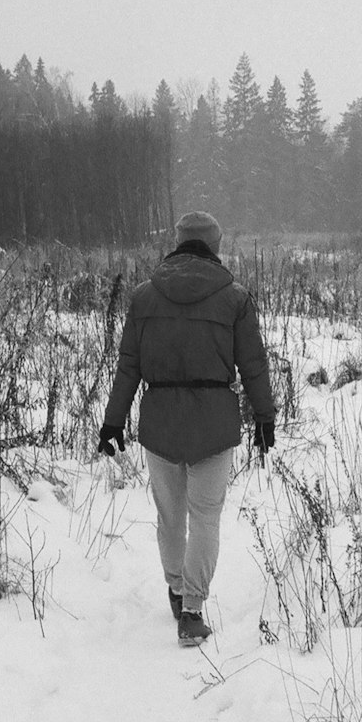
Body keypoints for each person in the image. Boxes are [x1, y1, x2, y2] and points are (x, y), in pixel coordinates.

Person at [98, 210, 276, 647]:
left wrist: (113, 421)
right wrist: (265, 417)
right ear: (214, 245)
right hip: (214, 424)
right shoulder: (234, 298)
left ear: (177, 243)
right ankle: (193, 611)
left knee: (170, 517)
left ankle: (177, 590)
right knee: (205, 518)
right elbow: (252, 365)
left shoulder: (144, 297)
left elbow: (129, 367)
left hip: (160, 421)